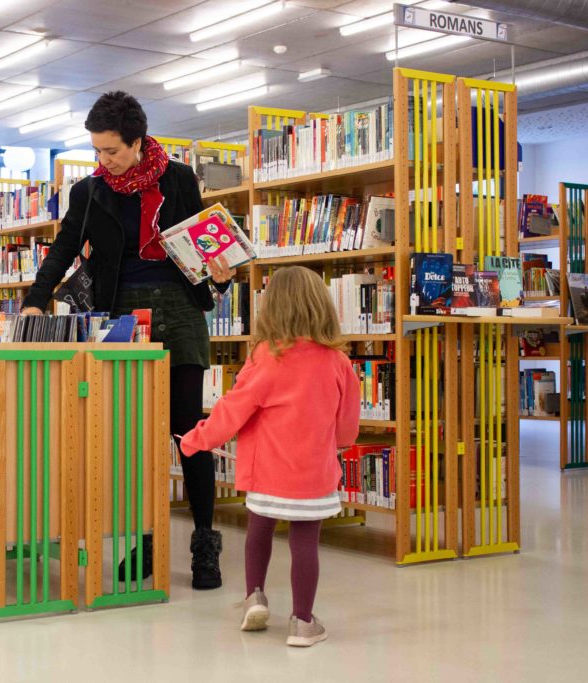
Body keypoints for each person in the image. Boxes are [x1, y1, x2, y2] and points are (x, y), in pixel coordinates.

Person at [21, 91, 235, 589]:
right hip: (119, 315)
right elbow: (63, 250)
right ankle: (146, 542)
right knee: (132, 439)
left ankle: (205, 544)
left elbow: (204, 248)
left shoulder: (180, 179)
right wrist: (35, 297)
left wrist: (221, 277)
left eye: (112, 151)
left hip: (179, 312)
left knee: (189, 432)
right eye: (96, 151)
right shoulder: (90, 191)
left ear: (139, 142)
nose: (103, 160)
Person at [180, 266, 360, 646]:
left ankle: (255, 597)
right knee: (305, 543)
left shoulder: (264, 356)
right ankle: (303, 622)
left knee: (258, 532)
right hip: (314, 474)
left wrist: (196, 440)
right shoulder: (339, 363)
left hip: (266, 473)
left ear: (271, 308)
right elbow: (347, 430)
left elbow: (233, 409)